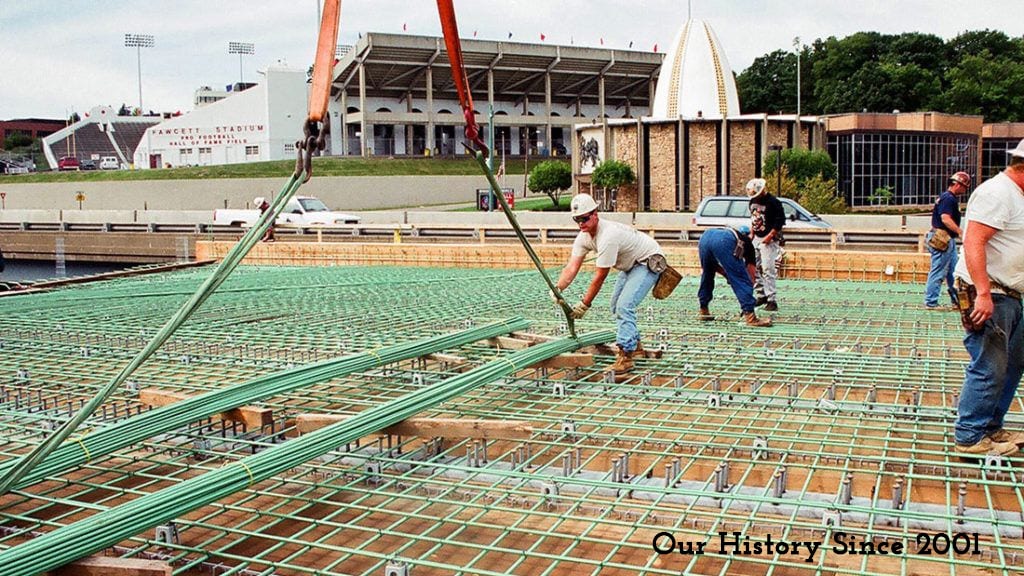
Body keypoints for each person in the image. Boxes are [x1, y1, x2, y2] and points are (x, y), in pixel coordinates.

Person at [951, 138, 1024, 456]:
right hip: (989, 291)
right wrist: (982, 293)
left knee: (1013, 363)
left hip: (1010, 293)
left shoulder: (1017, 195)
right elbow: (973, 242)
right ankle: (969, 435)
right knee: (990, 365)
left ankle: (990, 427)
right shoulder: (998, 193)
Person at [553, 193, 664, 377]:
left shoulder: (608, 236)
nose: (581, 223)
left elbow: (600, 276)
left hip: (647, 261)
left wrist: (584, 304)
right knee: (615, 305)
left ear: (595, 214)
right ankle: (635, 346)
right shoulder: (584, 237)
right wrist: (557, 288)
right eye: (577, 220)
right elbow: (572, 267)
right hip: (629, 264)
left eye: (584, 218)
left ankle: (626, 356)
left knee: (624, 305)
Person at [697, 226, 772, 327]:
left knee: (707, 273)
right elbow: (751, 274)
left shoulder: (735, 236)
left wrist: (726, 274)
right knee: (741, 279)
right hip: (723, 240)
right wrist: (748, 289)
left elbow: (713, 266)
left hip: (705, 237)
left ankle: (703, 310)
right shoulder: (748, 245)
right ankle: (750, 317)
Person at [924, 171, 969, 310]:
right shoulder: (948, 199)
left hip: (946, 239)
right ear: (957, 184)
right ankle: (931, 302)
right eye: (964, 186)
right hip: (942, 238)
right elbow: (945, 218)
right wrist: (960, 232)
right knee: (938, 271)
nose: (965, 190)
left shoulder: (948, 198)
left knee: (953, 272)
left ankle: (957, 301)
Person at [747, 178, 786, 311]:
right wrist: (752, 234)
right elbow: (753, 219)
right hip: (756, 238)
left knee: (768, 269)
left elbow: (779, 222)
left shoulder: (773, 203)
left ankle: (771, 299)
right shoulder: (752, 202)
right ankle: (761, 293)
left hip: (769, 239)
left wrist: (770, 236)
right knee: (753, 266)